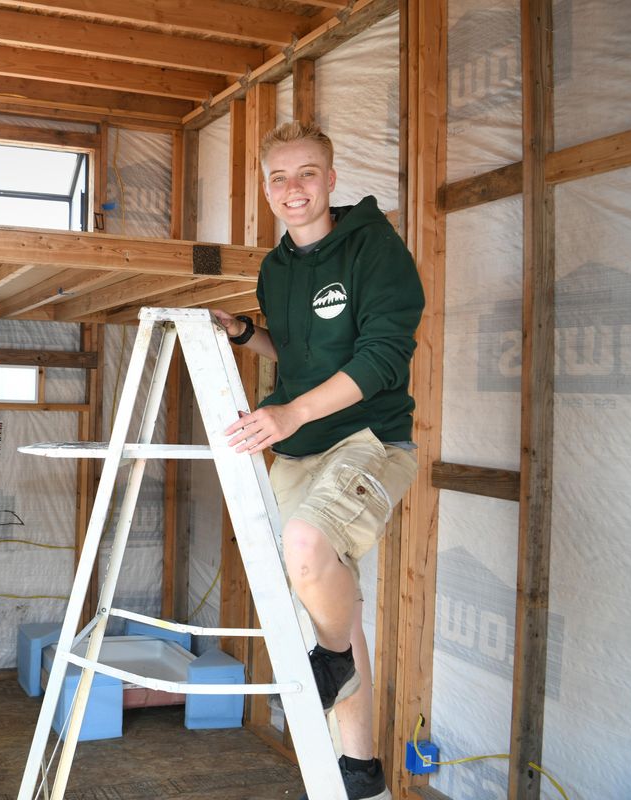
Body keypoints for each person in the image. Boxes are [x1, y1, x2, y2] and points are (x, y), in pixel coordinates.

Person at [210, 120, 424, 800]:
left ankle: (332, 661)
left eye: (306, 174)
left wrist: (289, 413)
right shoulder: (276, 269)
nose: (292, 189)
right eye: (279, 178)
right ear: (267, 190)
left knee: (307, 551)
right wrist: (248, 334)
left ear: (331, 179)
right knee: (326, 600)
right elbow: (300, 358)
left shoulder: (374, 249)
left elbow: (383, 357)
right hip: (300, 450)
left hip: (367, 441)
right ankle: (361, 775)